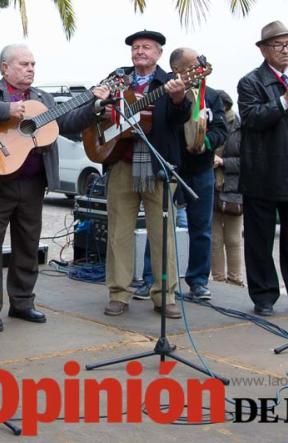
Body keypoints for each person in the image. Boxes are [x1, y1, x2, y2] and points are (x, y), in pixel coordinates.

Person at [0, 44, 96, 332]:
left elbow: (67, 123)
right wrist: (7, 109)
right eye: (23, 64)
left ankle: (22, 303)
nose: (31, 69)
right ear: (5, 68)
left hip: (33, 184)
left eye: (33, 64)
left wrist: (93, 106)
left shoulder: (43, 98)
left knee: (28, 247)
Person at [90, 30, 190, 318]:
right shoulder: (118, 77)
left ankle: (164, 295)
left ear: (159, 53)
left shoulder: (168, 81)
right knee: (119, 231)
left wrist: (178, 97)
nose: (139, 52)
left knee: (162, 233)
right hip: (121, 159)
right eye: (135, 47)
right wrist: (100, 103)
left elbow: (179, 118)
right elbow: (96, 110)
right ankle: (119, 293)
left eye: (146, 47)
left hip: (156, 161)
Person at [237, 21, 288, 317]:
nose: (286, 50)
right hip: (264, 172)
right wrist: (285, 99)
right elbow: (252, 118)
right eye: (279, 45)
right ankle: (264, 296)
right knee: (259, 239)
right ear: (264, 50)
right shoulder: (251, 82)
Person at [169, 48, 226, 301]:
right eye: (193, 65)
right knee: (162, 226)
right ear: (178, 71)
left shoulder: (211, 97)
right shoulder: (169, 96)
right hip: (173, 169)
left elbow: (221, 130)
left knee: (201, 228)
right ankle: (153, 278)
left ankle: (198, 281)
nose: (199, 69)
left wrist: (206, 144)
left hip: (202, 170)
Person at [212, 90, 244, 286]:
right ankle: (217, 280)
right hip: (212, 186)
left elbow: (249, 161)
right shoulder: (211, 124)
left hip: (234, 188)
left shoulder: (241, 128)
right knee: (214, 239)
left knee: (233, 239)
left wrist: (223, 162)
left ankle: (235, 279)